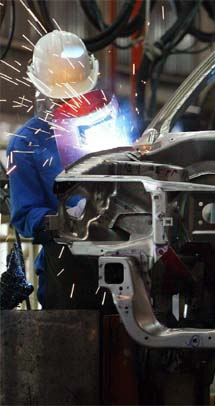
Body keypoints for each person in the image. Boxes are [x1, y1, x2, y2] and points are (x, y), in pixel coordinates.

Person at [7, 30, 126, 309]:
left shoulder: (108, 123)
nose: (69, 103)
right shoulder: (26, 143)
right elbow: (24, 215)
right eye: (61, 98)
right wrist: (60, 220)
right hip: (64, 266)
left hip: (121, 254)